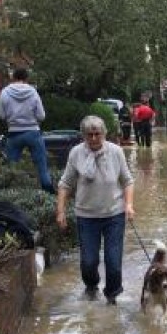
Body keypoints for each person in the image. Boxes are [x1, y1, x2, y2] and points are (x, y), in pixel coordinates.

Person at [55, 115, 135, 305]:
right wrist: (60, 211)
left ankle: (112, 297)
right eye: (89, 135)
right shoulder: (76, 153)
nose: (93, 138)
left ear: (104, 134)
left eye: (97, 134)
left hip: (114, 215)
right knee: (89, 262)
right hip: (86, 216)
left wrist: (129, 204)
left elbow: (127, 181)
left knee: (113, 263)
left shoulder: (116, 152)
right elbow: (65, 183)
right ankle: (91, 287)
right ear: (83, 136)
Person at [0, 67, 55, 193]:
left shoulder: (5, 92)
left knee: (12, 168)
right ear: (26, 78)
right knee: (42, 167)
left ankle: (12, 195)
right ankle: (49, 194)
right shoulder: (33, 92)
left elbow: (1, 115)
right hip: (33, 132)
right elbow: (41, 116)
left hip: (14, 133)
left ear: (13, 77)